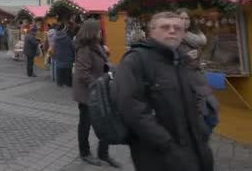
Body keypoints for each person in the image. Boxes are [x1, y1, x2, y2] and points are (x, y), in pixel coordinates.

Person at [115, 12, 214, 171]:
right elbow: (130, 108)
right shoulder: (136, 60)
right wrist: (165, 143)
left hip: (194, 145)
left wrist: (202, 130)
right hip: (158, 153)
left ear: (183, 33)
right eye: (165, 27)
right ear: (152, 31)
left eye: (177, 28)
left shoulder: (182, 59)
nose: (172, 31)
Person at [73, 20, 121, 168]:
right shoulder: (84, 49)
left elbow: (100, 64)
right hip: (88, 93)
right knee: (86, 124)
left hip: (98, 91)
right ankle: (85, 152)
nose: (101, 33)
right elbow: (82, 73)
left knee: (105, 121)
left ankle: (103, 153)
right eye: (99, 31)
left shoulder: (97, 46)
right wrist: (98, 85)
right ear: (91, 32)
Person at [176, 9, 220, 131]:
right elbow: (166, 62)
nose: (184, 21)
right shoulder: (172, 38)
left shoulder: (196, 35)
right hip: (183, 82)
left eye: (186, 19)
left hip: (198, 79)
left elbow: (204, 48)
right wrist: (185, 58)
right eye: (181, 18)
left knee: (210, 113)